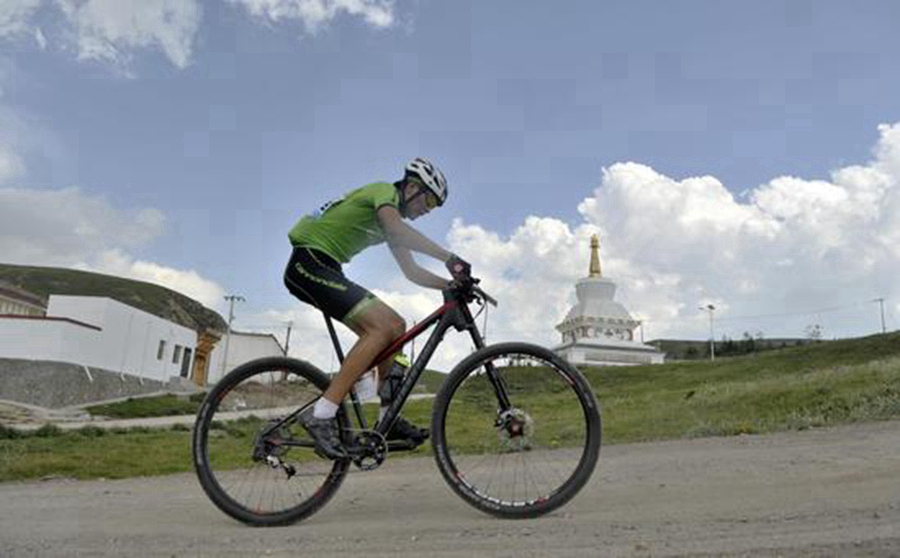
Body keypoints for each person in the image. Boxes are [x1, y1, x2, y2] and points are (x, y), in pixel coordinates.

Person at [283, 158, 471, 459]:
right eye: (430, 201)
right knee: (382, 326)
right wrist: (450, 258)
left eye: (434, 207)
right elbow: (397, 231)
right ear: (411, 187)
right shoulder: (384, 193)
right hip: (309, 262)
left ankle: (388, 418)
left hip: (327, 267)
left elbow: (412, 272)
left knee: (395, 326)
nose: (428, 210)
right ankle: (321, 415)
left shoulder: (390, 225)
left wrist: (450, 286)